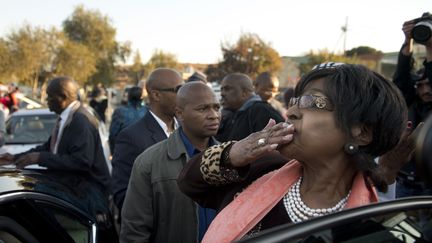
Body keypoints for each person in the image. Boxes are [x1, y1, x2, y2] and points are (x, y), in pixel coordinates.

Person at [178, 63, 408, 242]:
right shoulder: (264, 167)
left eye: (312, 102)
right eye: (296, 101)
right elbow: (188, 183)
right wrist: (235, 153)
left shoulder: (374, 227)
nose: (292, 112)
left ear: (362, 133)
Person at [120, 81, 220, 242]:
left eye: (216, 107)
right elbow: (135, 229)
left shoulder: (230, 157)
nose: (214, 115)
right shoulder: (149, 162)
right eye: (203, 109)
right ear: (179, 114)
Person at [111, 68, 183, 215]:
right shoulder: (131, 138)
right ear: (156, 95)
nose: (184, 96)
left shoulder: (186, 130)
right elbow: (123, 196)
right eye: (178, 90)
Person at [392, 17, 432, 197]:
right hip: (404, 180)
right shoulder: (411, 101)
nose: (426, 90)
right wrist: (407, 42)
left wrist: (430, 46)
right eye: (420, 85)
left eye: (428, 84)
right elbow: (400, 79)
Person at [216, 73, 284, 142]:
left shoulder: (261, 111)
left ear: (244, 93)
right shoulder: (232, 114)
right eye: (221, 89)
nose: (222, 93)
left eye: (227, 89)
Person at [109, 86, 147, 152]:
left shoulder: (120, 111)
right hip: (144, 150)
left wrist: (112, 150)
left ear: (128, 96)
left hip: (124, 150)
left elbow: (113, 133)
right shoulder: (147, 111)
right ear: (141, 97)